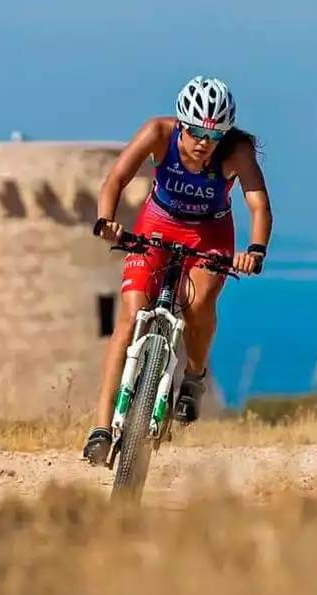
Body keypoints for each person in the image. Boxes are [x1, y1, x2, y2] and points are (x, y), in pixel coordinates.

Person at [83, 75, 273, 464]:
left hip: (210, 233)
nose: (205, 142)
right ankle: (101, 426)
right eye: (197, 132)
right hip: (158, 223)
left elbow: (259, 206)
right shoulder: (158, 132)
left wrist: (254, 250)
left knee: (201, 302)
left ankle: (194, 376)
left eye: (214, 134)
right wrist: (107, 222)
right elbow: (116, 179)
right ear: (181, 123)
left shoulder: (235, 154)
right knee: (130, 317)